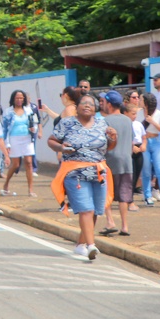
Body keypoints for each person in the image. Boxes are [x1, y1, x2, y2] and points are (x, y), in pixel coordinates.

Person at [48, 94, 117, 260]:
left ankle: (80, 245)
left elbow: (110, 146)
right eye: (84, 103)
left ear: (95, 108)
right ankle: (91, 246)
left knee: (95, 210)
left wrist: (113, 137)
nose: (87, 106)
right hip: (75, 172)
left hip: (99, 171)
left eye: (91, 104)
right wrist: (61, 147)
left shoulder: (102, 123)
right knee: (86, 209)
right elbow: (51, 141)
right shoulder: (67, 123)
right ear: (77, 107)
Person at [99, 91, 133, 237]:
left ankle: (110, 221)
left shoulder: (105, 121)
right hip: (126, 161)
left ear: (109, 104)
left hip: (110, 161)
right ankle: (125, 226)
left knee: (106, 192)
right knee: (124, 194)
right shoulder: (128, 120)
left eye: (104, 102)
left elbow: (102, 143)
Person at [2, 90, 40, 197]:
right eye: (17, 98)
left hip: (27, 138)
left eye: (21, 98)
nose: (19, 100)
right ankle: (6, 184)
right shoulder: (8, 111)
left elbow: (35, 123)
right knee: (16, 164)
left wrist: (34, 129)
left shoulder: (29, 110)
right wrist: (7, 144)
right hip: (14, 138)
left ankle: (30, 190)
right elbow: (4, 128)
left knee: (28, 162)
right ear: (13, 99)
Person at [139, 93, 160, 207]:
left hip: (156, 142)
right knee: (146, 170)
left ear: (147, 102)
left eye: (141, 99)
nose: (139, 100)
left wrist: (153, 122)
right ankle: (147, 196)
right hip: (144, 143)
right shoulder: (139, 113)